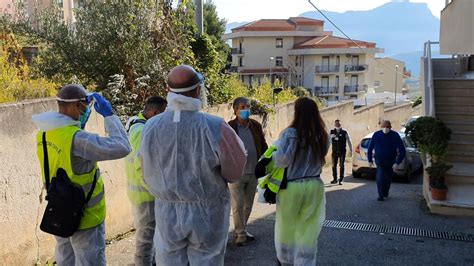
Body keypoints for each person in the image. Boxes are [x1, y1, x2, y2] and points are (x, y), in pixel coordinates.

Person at [140, 65, 247, 265]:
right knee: (208, 260)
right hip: (208, 213)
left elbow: (145, 170)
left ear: (168, 90)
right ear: (198, 90)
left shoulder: (150, 127)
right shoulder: (215, 126)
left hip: (166, 211)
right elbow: (234, 171)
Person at [32, 84, 131, 266]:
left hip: (59, 211)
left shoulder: (44, 133)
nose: (87, 109)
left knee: (65, 260)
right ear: (77, 105)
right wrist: (110, 116)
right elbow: (123, 147)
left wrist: (79, 127)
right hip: (85, 216)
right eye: (85, 105)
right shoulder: (78, 139)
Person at [272, 97, 328, 265]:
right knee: (308, 231)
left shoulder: (290, 134)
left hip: (292, 187)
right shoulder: (322, 135)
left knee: (287, 229)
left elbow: (282, 160)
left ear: (297, 113)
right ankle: (304, 262)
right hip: (315, 186)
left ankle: (286, 261)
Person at [125, 96, 167, 266]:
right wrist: (154, 189)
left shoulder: (140, 125)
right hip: (145, 194)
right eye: (163, 114)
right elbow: (139, 165)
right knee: (145, 239)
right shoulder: (141, 131)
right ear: (155, 112)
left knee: (152, 236)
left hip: (146, 192)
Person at [228, 97, 268, 246]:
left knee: (248, 205)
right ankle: (240, 234)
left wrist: (265, 162)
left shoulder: (256, 126)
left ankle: (242, 229)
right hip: (236, 173)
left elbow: (263, 146)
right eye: (243, 107)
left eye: (248, 107)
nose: (246, 110)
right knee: (237, 205)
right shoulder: (229, 127)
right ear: (236, 110)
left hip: (253, 172)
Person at [367, 120, 406, 201]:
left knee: (388, 177)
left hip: (390, 160)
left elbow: (402, 150)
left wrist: (397, 162)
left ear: (390, 127)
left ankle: (385, 192)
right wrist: (370, 160)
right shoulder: (377, 135)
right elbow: (370, 148)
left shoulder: (395, 135)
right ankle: (380, 195)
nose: (385, 128)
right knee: (380, 175)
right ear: (381, 127)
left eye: (387, 127)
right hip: (379, 160)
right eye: (384, 127)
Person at [329, 119, 353, 185]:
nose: (337, 125)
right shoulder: (331, 132)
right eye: (336, 124)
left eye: (339, 124)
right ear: (334, 125)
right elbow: (328, 141)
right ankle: (335, 179)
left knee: (341, 165)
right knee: (334, 166)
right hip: (334, 152)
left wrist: (351, 150)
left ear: (341, 125)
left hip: (342, 151)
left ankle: (341, 179)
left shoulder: (344, 132)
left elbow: (349, 141)